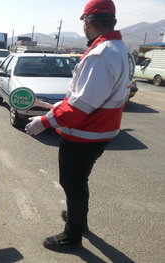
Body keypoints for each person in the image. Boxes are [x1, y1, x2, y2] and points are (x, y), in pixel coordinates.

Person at [25, 0, 133, 251]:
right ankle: (78, 218)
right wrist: (56, 109)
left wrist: (44, 121)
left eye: (83, 22)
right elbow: (88, 97)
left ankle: (73, 234)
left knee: (72, 183)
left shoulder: (100, 54)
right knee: (78, 181)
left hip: (84, 134)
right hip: (100, 131)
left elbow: (82, 104)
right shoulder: (118, 49)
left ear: (87, 22)